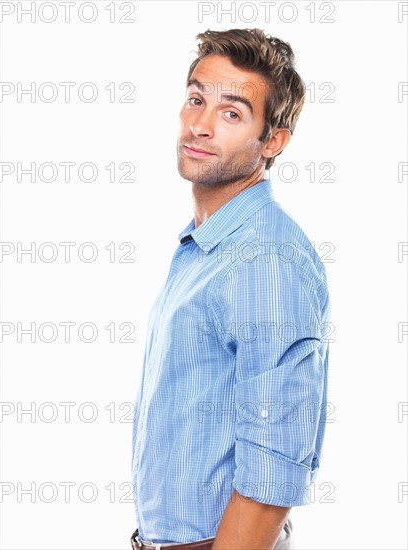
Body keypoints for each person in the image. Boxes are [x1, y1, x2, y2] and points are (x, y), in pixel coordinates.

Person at [130, 28, 330, 550]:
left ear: (274, 142)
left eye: (232, 113)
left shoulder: (265, 259)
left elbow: (272, 474)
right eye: (196, 98)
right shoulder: (207, 246)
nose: (199, 124)